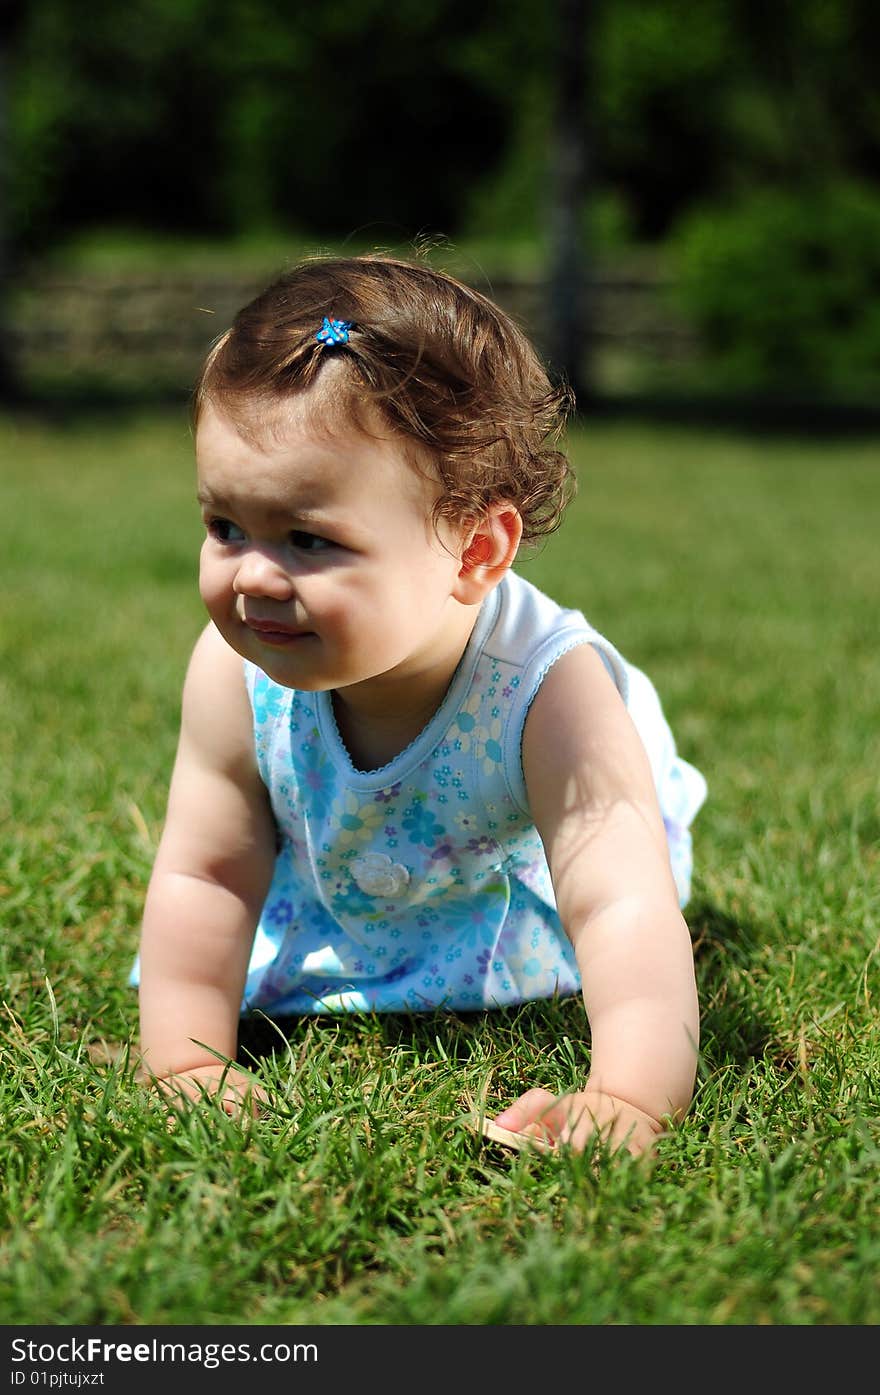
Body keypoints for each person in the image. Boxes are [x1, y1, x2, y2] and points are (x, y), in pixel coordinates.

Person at [132, 252, 707, 1159]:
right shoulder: (230, 672)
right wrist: (184, 1060)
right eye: (225, 526)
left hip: (529, 880)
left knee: (617, 884)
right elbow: (208, 872)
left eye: (308, 539)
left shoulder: (550, 692)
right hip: (353, 874)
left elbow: (617, 904)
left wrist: (629, 1096)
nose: (252, 577)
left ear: (476, 551)